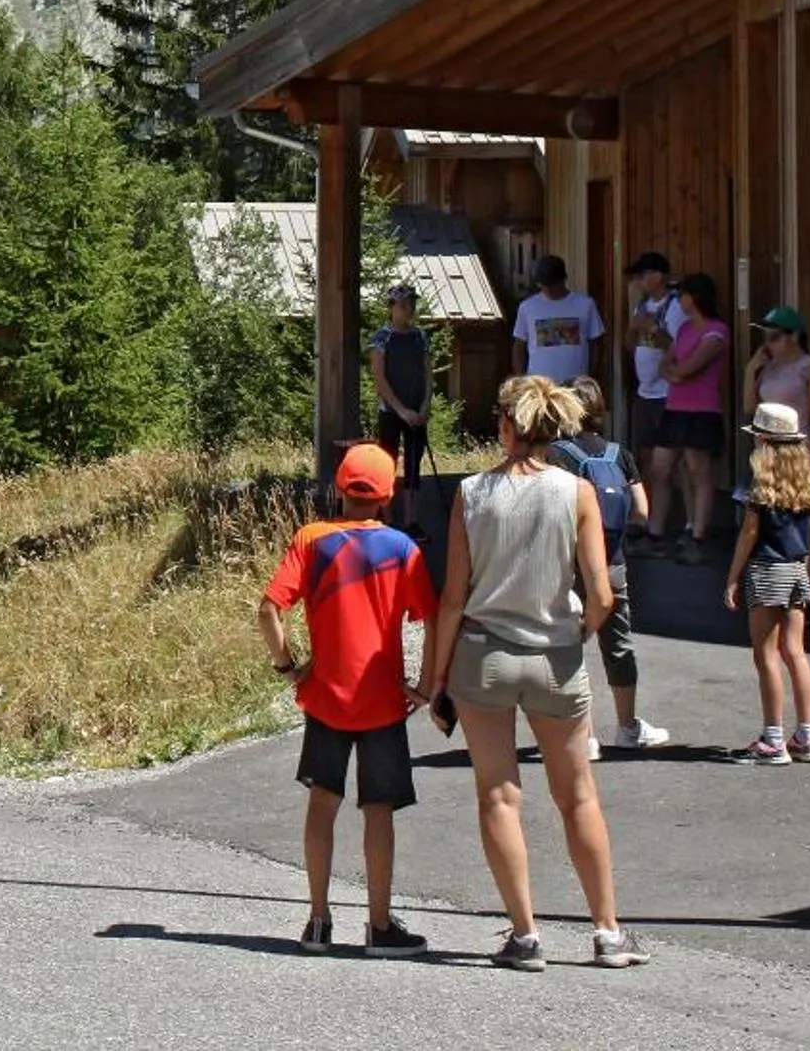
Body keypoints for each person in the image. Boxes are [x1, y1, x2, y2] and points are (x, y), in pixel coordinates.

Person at [415, 376, 646, 972]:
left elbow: (452, 597)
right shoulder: (576, 492)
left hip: (483, 655)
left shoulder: (472, 491)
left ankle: (524, 935)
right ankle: (607, 932)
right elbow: (600, 592)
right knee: (577, 796)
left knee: (498, 792)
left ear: (507, 427)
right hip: (554, 656)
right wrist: (580, 633)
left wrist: (433, 678)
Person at [259, 442, 438, 958]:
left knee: (322, 803)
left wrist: (288, 667)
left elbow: (269, 609)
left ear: (340, 486)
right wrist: (424, 687)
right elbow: (430, 620)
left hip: (326, 698)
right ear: (387, 494)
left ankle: (318, 920)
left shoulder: (311, 540)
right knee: (378, 810)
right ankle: (379, 925)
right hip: (382, 699)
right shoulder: (403, 548)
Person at [552, 379, 668, 754]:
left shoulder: (555, 454)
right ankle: (627, 727)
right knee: (617, 645)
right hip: (611, 561)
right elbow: (641, 511)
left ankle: (583, 737)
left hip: (567, 566)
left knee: (570, 647)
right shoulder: (619, 454)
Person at [724, 403, 810, 765]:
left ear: (764, 440)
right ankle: (806, 736)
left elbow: (749, 535)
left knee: (765, 654)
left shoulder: (761, 484)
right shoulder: (805, 483)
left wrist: (732, 578)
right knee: (795, 652)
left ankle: (773, 738)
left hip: (766, 569)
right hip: (796, 569)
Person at [745, 307, 810, 620]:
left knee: (804, 532)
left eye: (776, 337)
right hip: (766, 457)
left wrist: (809, 462)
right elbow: (750, 407)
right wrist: (751, 370)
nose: (769, 343)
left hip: (797, 457)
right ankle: (778, 598)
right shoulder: (769, 367)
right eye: (766, 337)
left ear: (794, 336)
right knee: (768, 529)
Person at [650, 274, 733, 562]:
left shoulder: (717, 331)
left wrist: (677, 373)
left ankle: (698, 536)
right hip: (675, 407)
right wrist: (676, 373)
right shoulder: (684, 329)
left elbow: (689, 367)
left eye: (683, 295)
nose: (679, 300)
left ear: (695, 297)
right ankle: (655, 533)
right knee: (661, 468)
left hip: (702, 410)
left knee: (699, 472)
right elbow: (666, 364)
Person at [370, 284, 432, 533]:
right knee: (387, 461)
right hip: (391, 411)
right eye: (404, 305)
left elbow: (428, 373)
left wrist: (426, 404)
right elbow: (379, 379)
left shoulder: (420, 336)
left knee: (414, 463)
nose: (409, 310)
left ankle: (411, 519)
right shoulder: (382, 338)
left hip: (417, 410)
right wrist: (400, 410)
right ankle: (387, 515)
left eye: (412, 305)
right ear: (392, 307)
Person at [623, 250, 682, 476]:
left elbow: (679, 349)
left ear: (657, 276)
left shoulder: (675, 307)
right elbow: (630, 346)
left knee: (668, 458)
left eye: (641, 275)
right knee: (645, 453)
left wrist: (652, 327)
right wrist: (632, 328)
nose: (636, 281)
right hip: (644, 393)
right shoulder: (642, 305)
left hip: (667, 393)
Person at [511, 255, 605, 386]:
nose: (548, 289)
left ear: (564, 279)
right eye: (544, 284)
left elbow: (595, 344)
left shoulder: (585, 305)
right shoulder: (527, 307)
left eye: (553, 284)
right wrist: (521, 381)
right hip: (539, 389)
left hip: (575, 387)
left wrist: (591, 378)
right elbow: (519, 347)